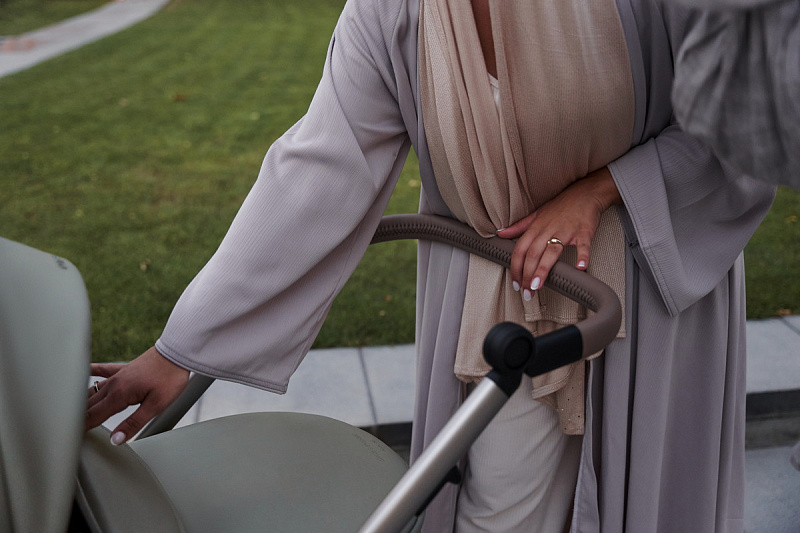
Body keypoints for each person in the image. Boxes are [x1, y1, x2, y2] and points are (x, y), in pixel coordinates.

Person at [85, 0, 776, 531]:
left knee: (644, 496)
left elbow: (746, 104)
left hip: (646, 273)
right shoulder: (391, 10)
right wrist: (181, 350)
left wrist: (603, 190)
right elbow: (323, 164)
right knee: (498, 510)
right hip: (502, 296)